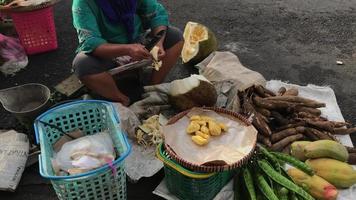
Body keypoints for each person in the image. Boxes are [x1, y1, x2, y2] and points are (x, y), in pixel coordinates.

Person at [72, 0, 184, 106]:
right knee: (82, 64)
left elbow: (157, 14)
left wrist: (158, 43)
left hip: (137, 41)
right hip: (109, 51)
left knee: (175, 36)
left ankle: (152, 89)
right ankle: (122, 100)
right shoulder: (82, 3)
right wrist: (128, 49)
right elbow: (91, 42)